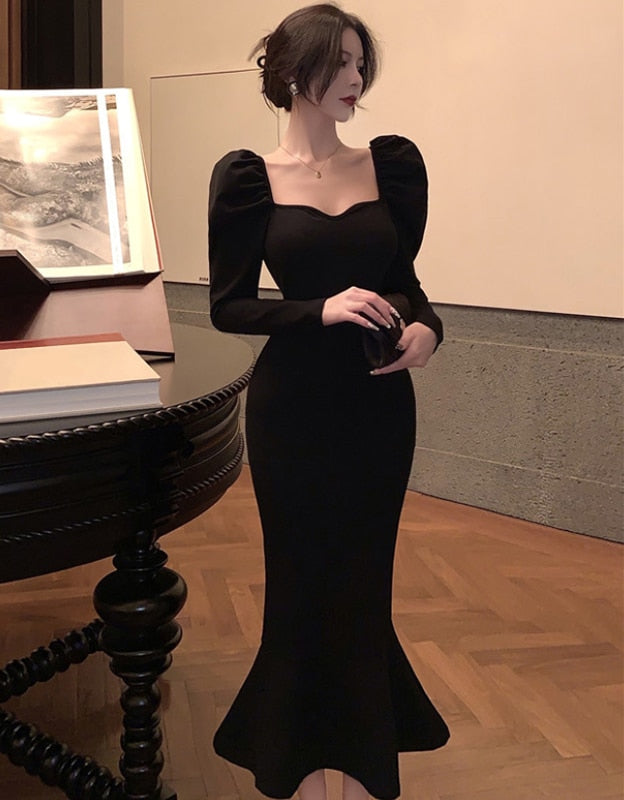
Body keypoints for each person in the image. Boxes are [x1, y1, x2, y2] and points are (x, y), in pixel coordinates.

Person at [207, 4, 450, 800]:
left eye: (359, 62)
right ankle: (298, 769)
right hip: (293, 412)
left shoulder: (392, 166)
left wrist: (428, 329)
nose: (357, 78)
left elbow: (406, 285)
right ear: (293, 71)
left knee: (362, 586)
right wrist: (320, 309)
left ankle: (361, 766)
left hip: (379, 409)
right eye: (341, 62)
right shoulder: (248, 179)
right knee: (301, 585)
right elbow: (229, 307)